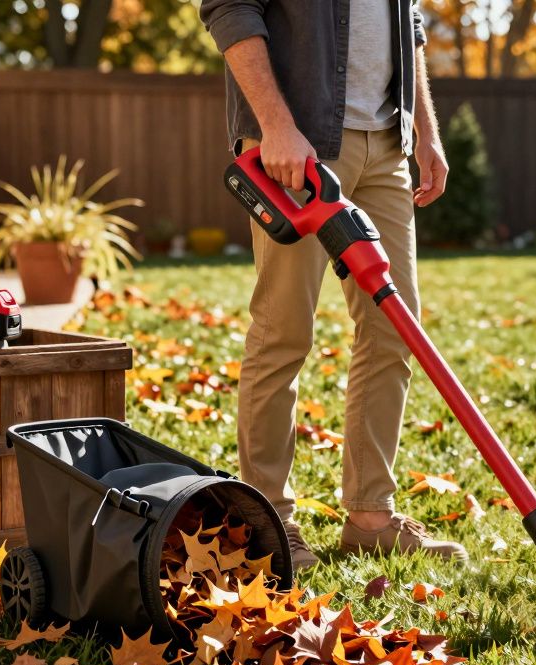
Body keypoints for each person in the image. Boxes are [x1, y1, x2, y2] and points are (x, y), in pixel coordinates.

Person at [200, 0, 468, 570]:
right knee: (283, 330)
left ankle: (371, 516)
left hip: (386, 146)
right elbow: (230, 8)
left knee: (395, 331)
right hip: (296, 148)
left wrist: (423, 127)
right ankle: (268, 519)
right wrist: (275, 125)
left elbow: (408, 22)